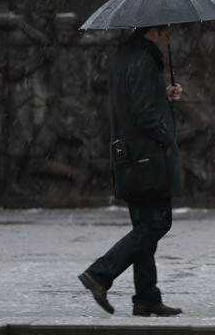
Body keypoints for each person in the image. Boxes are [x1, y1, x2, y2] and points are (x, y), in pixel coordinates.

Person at [78, 25, 184, 317]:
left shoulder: (127, 57)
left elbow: (135, 103)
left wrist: (163, 97)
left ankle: (146, 296)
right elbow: (142, 112)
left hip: (131, 158)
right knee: (156, 224)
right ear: (153, 33)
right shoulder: (143, 61)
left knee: (144, 226)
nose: (168, 40)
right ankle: (100, 274)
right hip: (146, 158)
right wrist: (166, 134)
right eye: (166, 34)